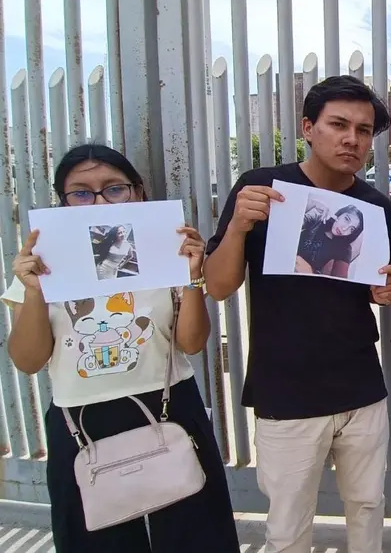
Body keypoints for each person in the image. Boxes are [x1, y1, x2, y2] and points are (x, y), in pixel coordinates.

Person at [2, 144, 240, 552]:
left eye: (114, 188)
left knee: (195, 535)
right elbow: (28, 360)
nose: (98, 202)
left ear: (138, 192)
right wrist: (35, 292)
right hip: (80, 421)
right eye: (81, 192)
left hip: (169, 405)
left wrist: (192, 278)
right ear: (63, 202)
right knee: (98, 541)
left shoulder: (165, 252)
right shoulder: (45, 262)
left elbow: (192, 343)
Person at [203, 75, 391, 553]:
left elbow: (377, 286)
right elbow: (218, 284)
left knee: (369, 509)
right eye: (338, 124)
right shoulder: (261, 189)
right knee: (288, 527)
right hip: (286, 391)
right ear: (308, 128)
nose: (351, 139)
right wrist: (236, 228)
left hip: (360, 387)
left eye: (363, 130)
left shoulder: (375, 207)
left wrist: (386, 289)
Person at [296, 203, 365, 277]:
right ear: (340, 214)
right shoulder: (319, 219)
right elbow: (294, 223)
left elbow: (340, 278)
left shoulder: (344, 249)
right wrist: (316, 204)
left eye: (351, 229)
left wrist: (310, 272)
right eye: (346, 219)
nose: (344, 229)